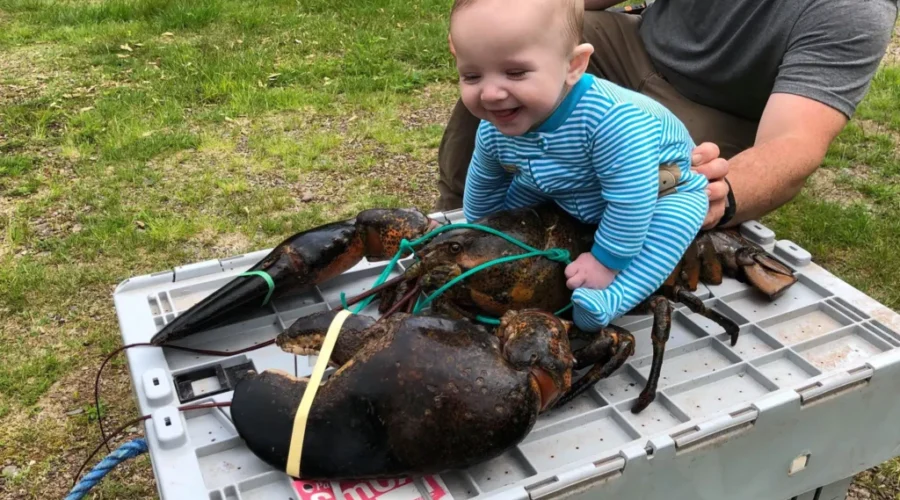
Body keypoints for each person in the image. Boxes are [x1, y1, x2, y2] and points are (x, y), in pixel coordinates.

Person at [437, 0, 899, 230]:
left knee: (632, 197)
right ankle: (459, 213)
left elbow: (794, 142)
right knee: (505, 65)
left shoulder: (854, 9)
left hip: (713, 112)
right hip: (635, 48)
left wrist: (720, 194)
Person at [449, 0, 710, 330]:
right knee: (516, 201)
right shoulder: (494, 127)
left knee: (669, 226)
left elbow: (631, 201)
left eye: (515, 72)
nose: (491, 93)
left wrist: (605, 261)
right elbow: (485, 183)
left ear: (574, 65)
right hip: (567, 181)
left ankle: (614, 296)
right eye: (471, 75)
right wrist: (481, 232)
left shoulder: (613, 120)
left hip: (659, 188)